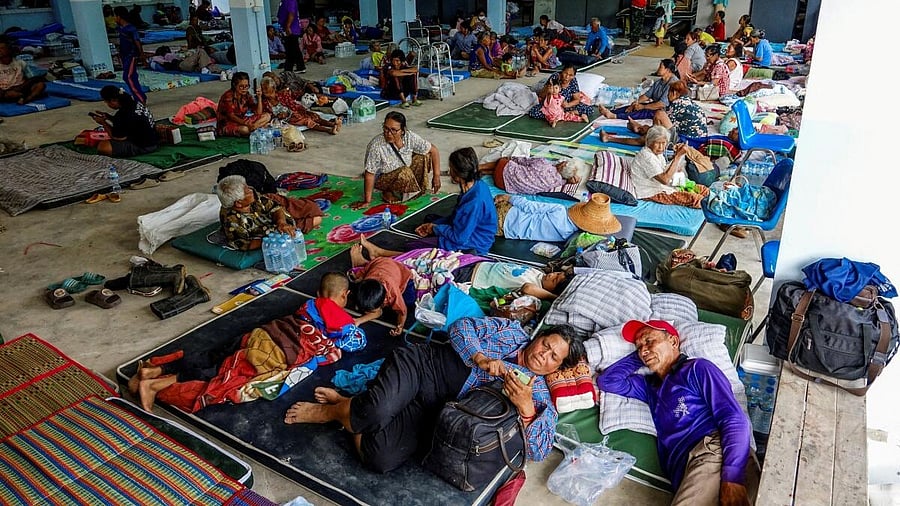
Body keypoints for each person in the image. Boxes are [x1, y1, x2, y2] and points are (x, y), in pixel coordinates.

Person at [283, 317, 586, 473]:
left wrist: (526, 409)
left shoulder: (539, 393)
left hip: (437, 411)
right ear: (539, 337)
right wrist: (480, 357)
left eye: (553, 357)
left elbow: (539, 451)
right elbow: (461, 327)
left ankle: (350, 406)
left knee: (380, 459)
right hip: (422, 367)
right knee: (375, 412)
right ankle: (330, 412)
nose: (543, 355)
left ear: (557, 368)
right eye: (546, 345)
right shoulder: (510, 332)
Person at [131, 272, 382, 411]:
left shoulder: (309, 304)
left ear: (318, 293)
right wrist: (363, 319)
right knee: (219, 373)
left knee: (213, 355)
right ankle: (154, 385)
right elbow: (356, 342)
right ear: (345, 295)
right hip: (276, 351)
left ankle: (157, 370)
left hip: (262, 333)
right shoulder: (342, 319)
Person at [599, 320, 758, 505]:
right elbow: (608, 381)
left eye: (649, 340)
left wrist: (733, 478)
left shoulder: (696, 369)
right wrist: (644, 353)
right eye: (638, 346)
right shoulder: (650, 388)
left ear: (674, 341)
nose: (643, 350)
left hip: (715, 453)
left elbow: (733, 417)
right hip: (687, 471)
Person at [355, 237, 575, 302]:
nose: (553, 274)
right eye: (557, 274)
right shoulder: (540, 274)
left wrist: (553, 297)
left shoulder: (535, 289)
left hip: (467, 276)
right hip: (471, 262)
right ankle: (380, 252)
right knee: (425, 254)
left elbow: (527, 289)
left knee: (413, 269)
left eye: (555, 280)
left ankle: (369, 266)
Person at [412, 147, 497, 255]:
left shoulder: (473, 202)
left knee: (412, 246)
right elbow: (457, 218)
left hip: (472, 243)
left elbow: (459, 238)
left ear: (459, 174)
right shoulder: (477, 184)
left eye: (451, 168)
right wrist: (433, 225)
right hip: (468, 231)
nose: (449, 171)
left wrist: (435, 228)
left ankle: (468, 252)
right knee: (430, 218)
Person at [352, 111, 441, 209]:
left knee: (424, 156)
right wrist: (367, 201)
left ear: (402, 130)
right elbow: (369, 173)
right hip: (383, 178)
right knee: (404, 172)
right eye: (386, 128)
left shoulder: (409, 137)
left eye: (394, 130)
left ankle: (412, 190)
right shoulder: (376, 145)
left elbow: (434, 150)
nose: (389, 133)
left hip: (404, 170)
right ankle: (388, 190)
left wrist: (436, 176)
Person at [216, 175, 324, 251]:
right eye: (247, 191)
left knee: (311, 207)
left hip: (273, 207)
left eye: (247, 187)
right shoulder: (233, 222)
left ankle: (291, 221)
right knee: (316, 219)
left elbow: (276, 207)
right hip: (268, 230)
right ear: (239, 203)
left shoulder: (254, 198)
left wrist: (281, 222)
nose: (251, 190)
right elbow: (246, 245)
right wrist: (275, 238)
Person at [600, 81, 708, 146]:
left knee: (659, 116)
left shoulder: (677, 105)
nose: (667, 96)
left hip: (685, 142)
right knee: (656, 121)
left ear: (675, 93)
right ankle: (639, 129)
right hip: (694, 139)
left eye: (669, 93)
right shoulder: (689, 103)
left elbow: (661, 129)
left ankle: (610, 138)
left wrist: (647, 129)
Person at [493, 192, 623, 244]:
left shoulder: (559, 210)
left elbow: (530, 207)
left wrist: (508, 197)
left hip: (506, 214)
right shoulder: (567, 237)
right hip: (504, 231)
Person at [630, 125, 710, 208]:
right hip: (651, 191)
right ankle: (715, 207)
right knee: (696, 199)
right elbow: (665, 180)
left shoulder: (657, 153)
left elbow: (664, 170)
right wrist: (677, 157)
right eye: (657, 143)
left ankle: (716, 200)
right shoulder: (647, 156)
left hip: (662, 185)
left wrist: (676, 158)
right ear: (649, 142)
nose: (661, 147)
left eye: (663, 143)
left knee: (703, 189)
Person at [597, 59, 680, 120]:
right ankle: (612, 112)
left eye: (661, 67)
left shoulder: (673, 83)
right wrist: (635, 103)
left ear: (667, 70)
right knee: (633, 107)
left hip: (666, 109)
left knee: (643, 112)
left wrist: (643, 106)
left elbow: (662, 104)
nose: (658, 69)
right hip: (657, 104)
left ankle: (614, 116)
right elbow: (647, 95)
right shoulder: (659, 81)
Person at [89, 86, 158, 158]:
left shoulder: (123, 114)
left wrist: (103, 123)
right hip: (153, 140)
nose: (108, 105)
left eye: (106, 102)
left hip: (144, 146)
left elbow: (117, 138)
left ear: (113, 101)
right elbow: (126, 122)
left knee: (103, 147)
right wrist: (109, 117)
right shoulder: (135, 103)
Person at [258, 76, 341, 134]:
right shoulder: (265, 102)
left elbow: (293, 101)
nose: (267, 94)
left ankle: (333, 124)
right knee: (307, 121)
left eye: (269, 91)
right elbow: (261, 114)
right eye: (264, 91)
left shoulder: (281, 95)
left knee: (313, 116)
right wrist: (259, 97)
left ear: (274, 89)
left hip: (293, 111)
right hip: (287, 119)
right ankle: (328, 130)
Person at [479, 156, 579, 194]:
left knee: (504, 162)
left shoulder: (543, 162)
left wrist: (509, 158)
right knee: (514, 171)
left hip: (501, 174)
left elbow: (522, 160)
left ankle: (479, 167)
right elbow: (567, 180)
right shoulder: (557, 182)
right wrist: (570, 180)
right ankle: (486, 172)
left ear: (562, 165)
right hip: (504, 186)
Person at [528, 64, 594, 121]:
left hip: (565, 106)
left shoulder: (573, 81)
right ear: (562, 71)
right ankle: (562, 115)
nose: (567, 77)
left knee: (589, 109)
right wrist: (548, 90)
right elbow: (541, 95)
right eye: (565, 73)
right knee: (533, 112)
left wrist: (568, 104)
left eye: (570, 75)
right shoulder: (555, 77)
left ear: (574, 76)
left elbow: (577, 99)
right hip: (552, 106)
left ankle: (566, 114)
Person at [216, 71, 272, 138]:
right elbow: (232, 116)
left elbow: (258, 113)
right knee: (244, 129)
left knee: (267, 116)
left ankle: (254, 128)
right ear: (234, 85)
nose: (244, 89)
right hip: (227, 123)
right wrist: (246, 123)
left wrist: (259, 97)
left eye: (246, 86)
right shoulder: (228, 96)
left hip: (242, 120)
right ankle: (257, 127)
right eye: (241, 86)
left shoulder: (246, 95)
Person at [114, 5, 147, 105]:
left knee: (128, 77)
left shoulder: (131, 29)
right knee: (131, 76)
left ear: (119, 16)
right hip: (125, 55)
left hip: (131, 56)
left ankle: (140, 99)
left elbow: (137, 42)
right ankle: (139, 96)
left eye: (115, 16)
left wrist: (141, 55)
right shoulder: (120, 29)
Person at [0, 40, 46, 105]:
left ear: (9, 50)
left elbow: (32, 78)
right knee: (9, 94)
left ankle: (27, 98)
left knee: (40, 85)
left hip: (21, 88)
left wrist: (22, 87)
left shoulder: (20, 63)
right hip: (5, 91)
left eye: (2, 48)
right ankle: (22, 96)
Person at [277, 0, 307, 72]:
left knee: (291, 50)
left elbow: (291, 13)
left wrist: (288, 26)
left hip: (291, 29)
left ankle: (289, 69)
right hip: (287, 28)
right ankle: (299, 67)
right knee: (294, 49)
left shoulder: (291, 1)